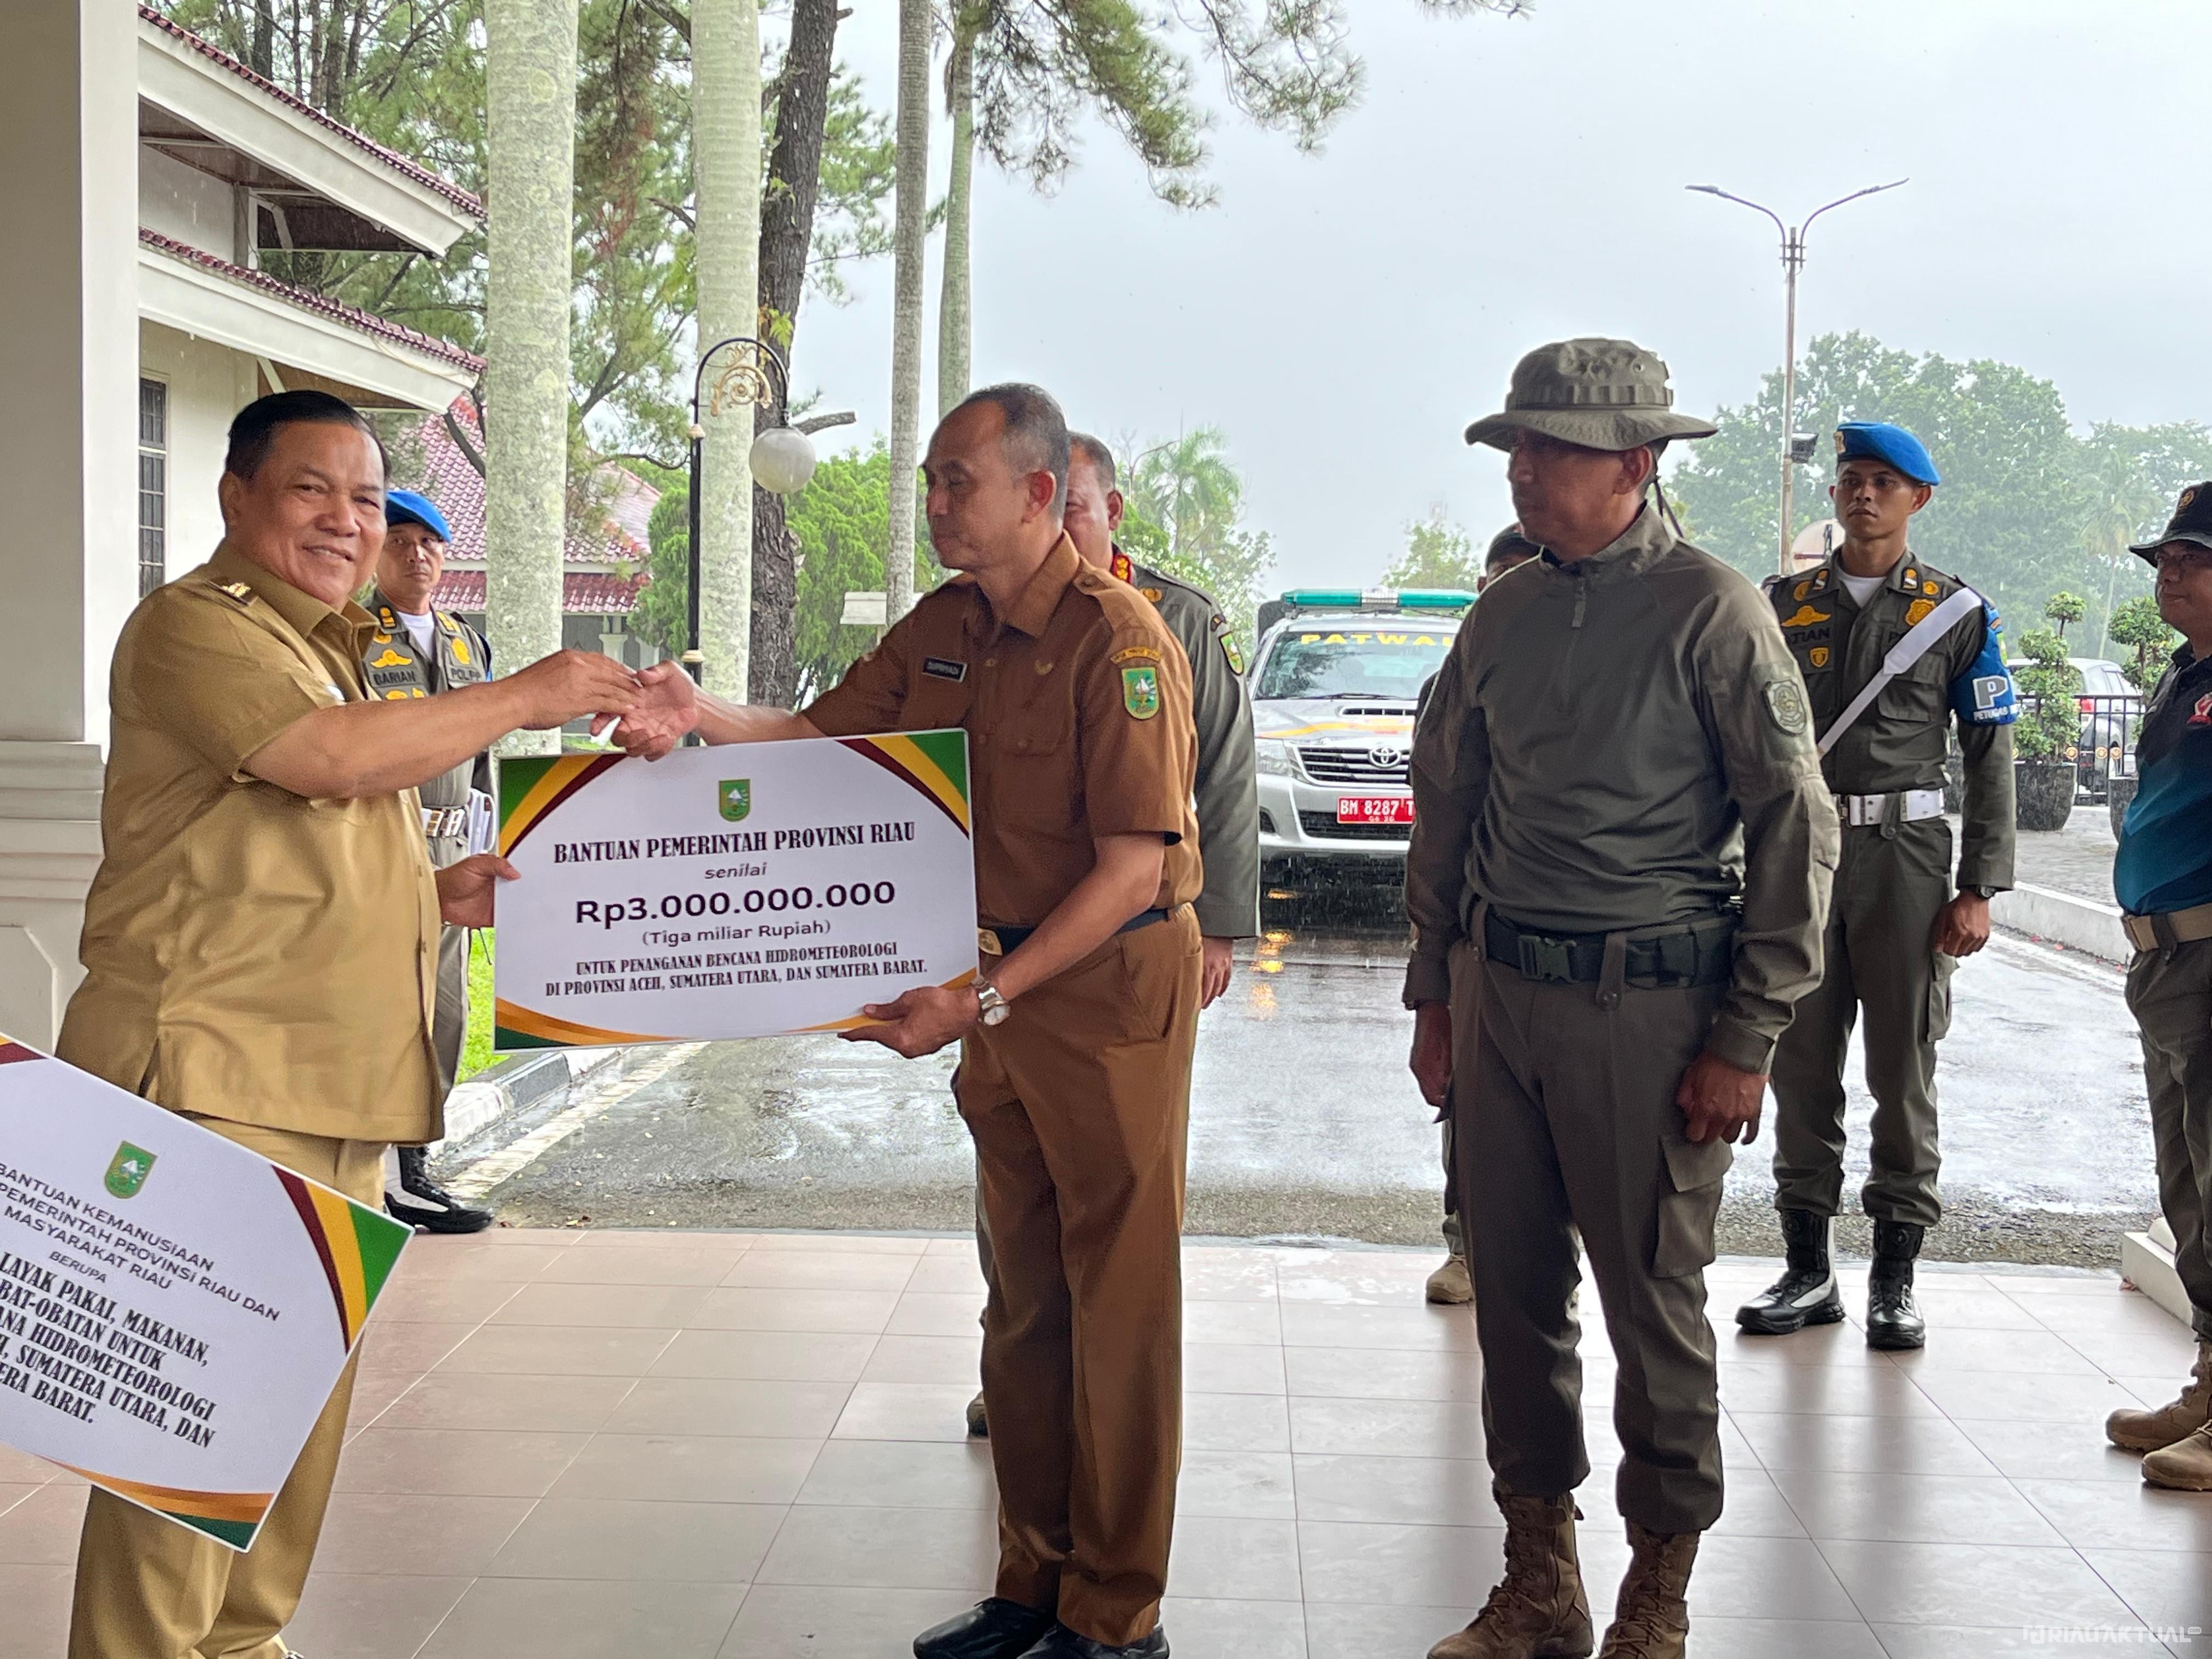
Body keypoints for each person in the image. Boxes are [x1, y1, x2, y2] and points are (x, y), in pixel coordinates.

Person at [58, 389, 651, 1659]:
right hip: (215, 1083)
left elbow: (283, 849)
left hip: (325, 1086)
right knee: (189, 1439)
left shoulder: (327, 644)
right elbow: (326, 760)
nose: (345, 519)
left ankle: (241, 1647)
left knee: (289, 1430)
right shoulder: (195, 625)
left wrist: (436, 892)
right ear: (236, 497)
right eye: (310, 489)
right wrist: (528, 694)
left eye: (368, 499)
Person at [619, 384, 1203, 1659]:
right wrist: (691, 714)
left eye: (956, 480)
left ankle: (1116, 1618)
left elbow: (1132, 873)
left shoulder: (1120, 642)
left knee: (1117, 1306)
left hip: (1104, 997)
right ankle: (1029, 1587)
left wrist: (980, 997)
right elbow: (815, 740)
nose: (934, 501)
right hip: (994, 992)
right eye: (932, 480)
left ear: (1039, 494)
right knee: (1024, 1302)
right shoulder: (948, 624)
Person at [1402, 339, 1837, 1659]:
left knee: (1655, 1309)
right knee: (1515, 1299)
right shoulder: (1503, 615)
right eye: (1516, 448)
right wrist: (1435, 996)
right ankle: (1540, 1578)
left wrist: (1747, 1035)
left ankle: (1658, 1597)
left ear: (1636, 465)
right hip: (1501, 1000)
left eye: (1552, 450)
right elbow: (1448, 804)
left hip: (1648, 1011)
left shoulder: (1714, 612)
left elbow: (1796, 825)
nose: (1524, 471)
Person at [946, 431, 1256, 1437]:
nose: (1055, 528)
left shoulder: (1165, 621)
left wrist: (1220, 927)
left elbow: (1224, 781)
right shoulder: (976, 619)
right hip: (1010, 954)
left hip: (1127, 946)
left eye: (1073, 510)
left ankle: (1106, 1465)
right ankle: (1023, 1390)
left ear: (1105, 511)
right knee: (1017, 1207)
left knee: (1121, 1212)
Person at [1738, 422, 2017, 1350]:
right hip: (1804, 858)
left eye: (1884, 483)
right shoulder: (1781, 605)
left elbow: (1991, 751)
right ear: (1835, 493)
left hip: (1907, 861)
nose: (1864, 494)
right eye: (1852, 479)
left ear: (1918, 500)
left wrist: (1979, 886)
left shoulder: (1955, 612)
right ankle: (1808, 1271)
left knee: (1903, 1072)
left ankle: (1895, 1279)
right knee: (1801, 1068)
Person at [2102, 483, 2212, 1490]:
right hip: (2167, 960)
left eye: (2193, 560)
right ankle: (2211, 1383)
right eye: (2166, 560)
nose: (2169, 574)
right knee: (2188, 1184)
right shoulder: (2186, 673)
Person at [364, 487, 499, 1234]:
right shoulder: (355, 638)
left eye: (429, 543)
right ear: (376, 552)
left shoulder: (465, 643)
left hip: (454, 847)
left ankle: (414, 1164)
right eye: (399, 541)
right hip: (387, 846)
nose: (416, 555)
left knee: (445, 1011)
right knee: (387, 1008)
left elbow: (481, 757)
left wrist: (491, 836)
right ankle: (380, 1174)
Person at [1420, 523, 1542, 1309]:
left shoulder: (1586, 676)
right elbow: (1438, 813)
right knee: (1468, 1102)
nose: (1506, 596)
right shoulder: (1458, 677)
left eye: (1522, 579)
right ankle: (1465, 1245)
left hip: (1568, 933)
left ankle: (1556, 1258)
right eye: (1496, 581)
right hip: (1477, 926)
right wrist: (1429, 968)